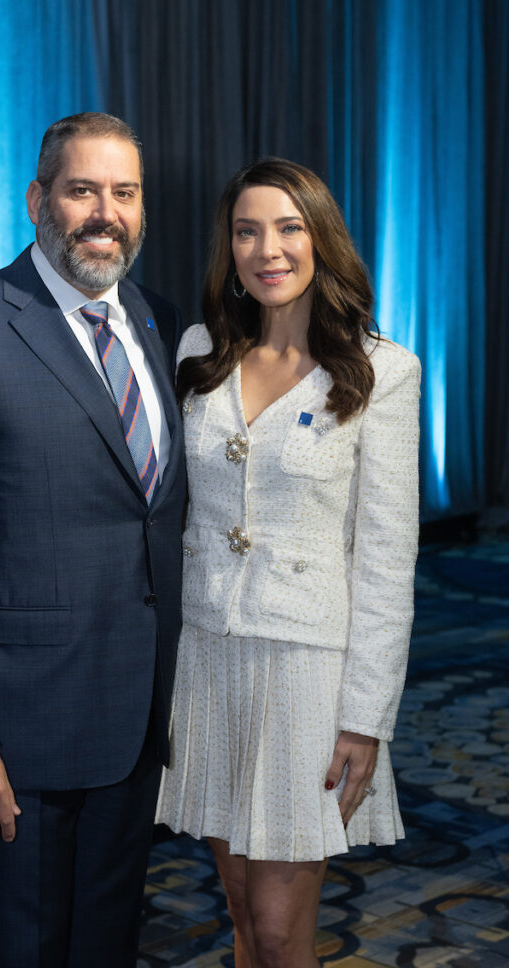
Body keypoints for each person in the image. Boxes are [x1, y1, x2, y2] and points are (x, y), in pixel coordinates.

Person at [0, 112, 186, 968]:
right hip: (21, 738)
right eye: (82, 188)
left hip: (135, 721)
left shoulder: (157, 323)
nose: (104, 211)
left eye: (123, 192)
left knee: (105, 945)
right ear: (37, 199)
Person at [156, 157, 420, 968]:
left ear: (319, 239)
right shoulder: (199, 351)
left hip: (305, 674)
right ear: (227, 248)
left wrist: (364, 718)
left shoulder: (383, 370)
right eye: (246, 230)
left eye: (287, 227)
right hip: (205, 660)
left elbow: (384, 558)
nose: (265, 249)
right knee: (238, 914)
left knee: (278, 931)